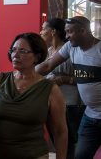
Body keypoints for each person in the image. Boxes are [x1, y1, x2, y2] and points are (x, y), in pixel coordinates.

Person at [0, 32, 67, 159]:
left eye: (22, 51)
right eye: (13, 50)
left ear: (37, 57)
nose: (15, 55)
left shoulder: (50, 89)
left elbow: (60, 131)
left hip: (34, 154)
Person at [36, 16, 101, 159]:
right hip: (90, 116)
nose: (66, 36)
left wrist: (65, 79)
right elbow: (47, 66)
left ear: (83, 30)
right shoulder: (70, 47)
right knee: (80, 155)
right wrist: (19, 75)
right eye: (65, 32)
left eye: (70, 32)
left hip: (84, 109)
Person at [40, 17, 85, 159]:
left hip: (70, 103)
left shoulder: (71, 50)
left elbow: (86, 78)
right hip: (51, 102)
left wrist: (63, 78)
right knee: (56, 138)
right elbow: (43, 70)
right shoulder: (48, 51)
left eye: (43, 29)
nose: (41, 32)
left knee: (70, 142)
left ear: (53, 32)